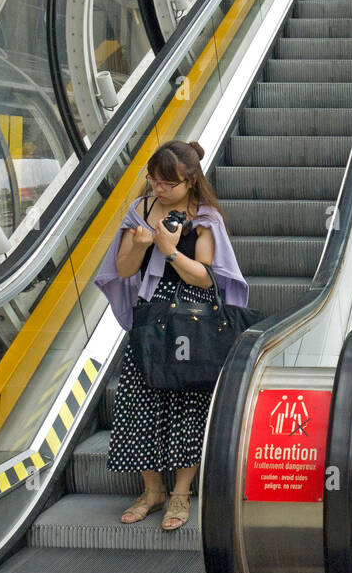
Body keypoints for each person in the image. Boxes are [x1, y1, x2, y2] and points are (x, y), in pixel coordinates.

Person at [94, 140, 248, 531]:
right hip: (151, 317)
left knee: (188, 402)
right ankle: (151, 491)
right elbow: (125, 269)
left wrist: (169, 250)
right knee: (136, 400)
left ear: (190, 180)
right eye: (154, 180)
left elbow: (206, 276)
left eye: (167, 183)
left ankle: (180, 491)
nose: (158, 189)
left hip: (191, 319)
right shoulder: (140, 210)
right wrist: (138, 243)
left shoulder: (205, 217)